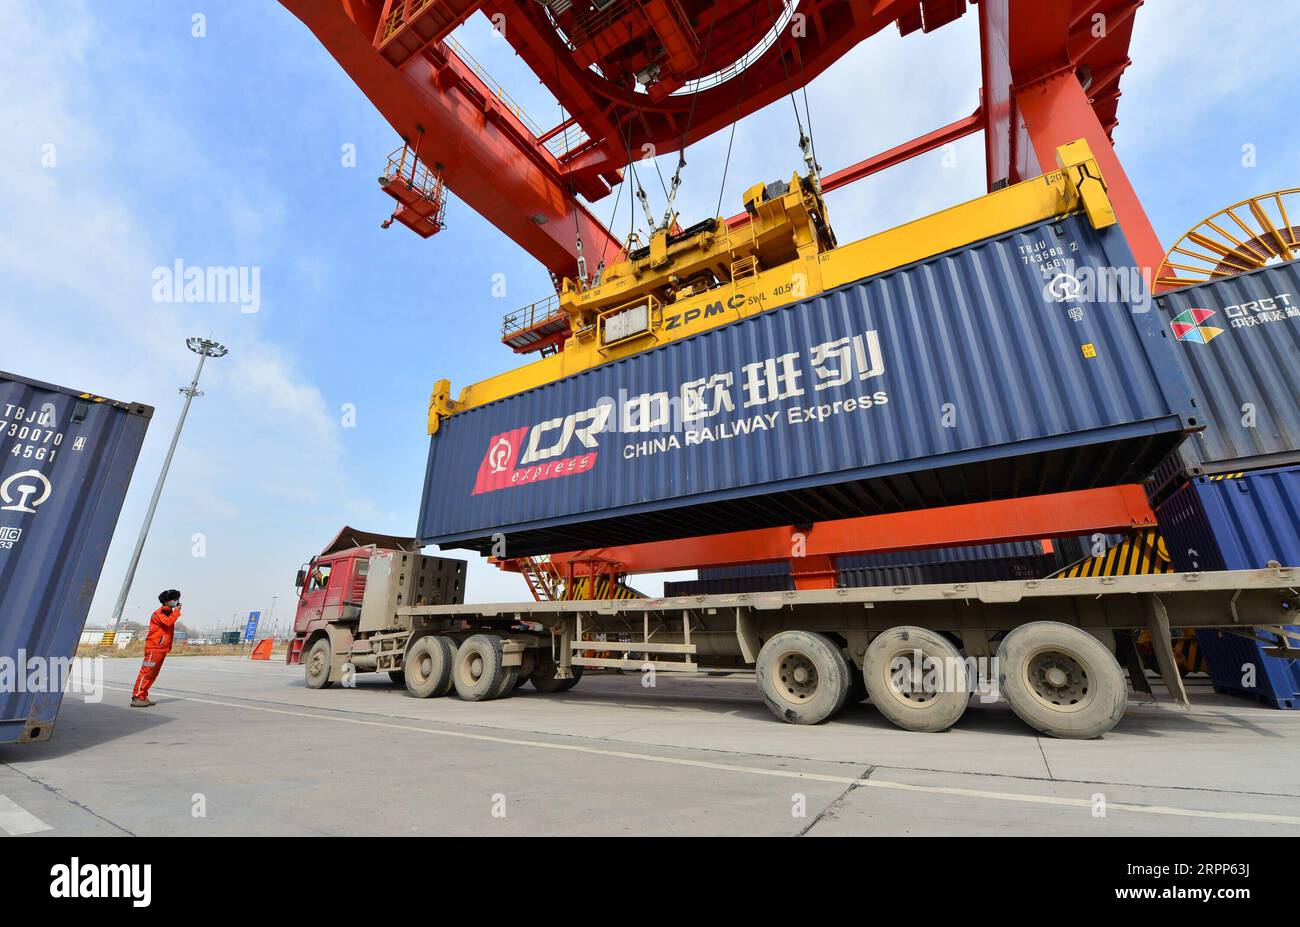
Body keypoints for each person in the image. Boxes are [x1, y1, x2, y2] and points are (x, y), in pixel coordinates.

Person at [131, 590, 182, 707]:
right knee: (146, 673)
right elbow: (167, 622)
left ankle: (143, 696)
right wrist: (177, 612)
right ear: (166, 601)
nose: (176, 602)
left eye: (177, 599)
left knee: (153, 674)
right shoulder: (159, 613)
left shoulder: (168, 613)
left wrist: (175, 612)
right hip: (154, 649)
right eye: (174, 599)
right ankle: (137, 696)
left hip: (161, 649)